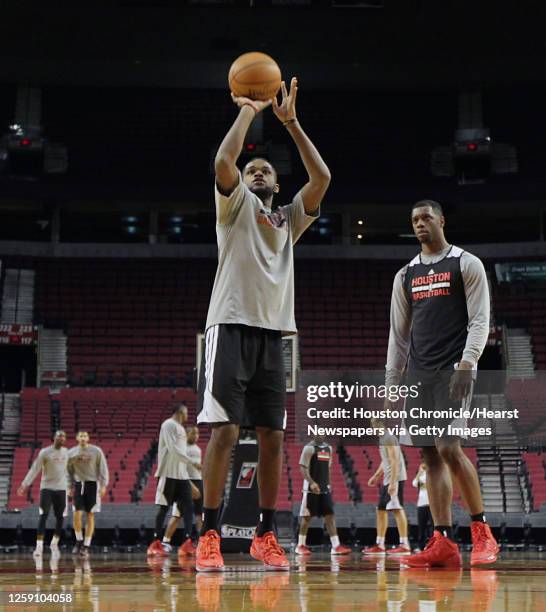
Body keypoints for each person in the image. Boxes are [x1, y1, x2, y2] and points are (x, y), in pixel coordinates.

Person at [196, 76, 330, 572]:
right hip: (228, 326)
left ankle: (266, 534)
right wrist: (249, 110)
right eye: (252, 168)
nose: (255, 173)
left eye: (265, 170)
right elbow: (222, 163)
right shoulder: (234, 208)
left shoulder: (288, 220)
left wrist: (291, 124)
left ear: (276, 184)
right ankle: (208, 532)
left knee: (273, 436)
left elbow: (322, 180)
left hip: (274, 335)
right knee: (225, 433)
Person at [385, 199, 499, 567]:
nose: (420, 224)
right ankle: (443, 541)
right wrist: (392, 383)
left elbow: (480, 320)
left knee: (449, 446)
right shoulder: (405, 275)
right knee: (430, 455)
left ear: (441, 220)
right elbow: (398, 337)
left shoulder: (466, 263)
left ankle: (482, 532)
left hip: (453, 370)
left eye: (426, 218)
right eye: (414, 219)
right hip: (418, 374)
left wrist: (469, 362)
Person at [147, 404, 201, 558]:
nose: (187, 416)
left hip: (182, 475)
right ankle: (155, 543)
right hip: (167, 473)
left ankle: (187, 542)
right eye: (186, 413)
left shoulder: (182, 429)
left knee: (189, 507)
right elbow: (172, 449)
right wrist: (191, 462)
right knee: (164, 508)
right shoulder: (168, 425)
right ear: (180, 412)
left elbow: (181, 453)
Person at [296, 438, 351, 557]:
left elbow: (329, 467)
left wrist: (329, 484)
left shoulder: (328, 448)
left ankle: (336, 546)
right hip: (310, 488)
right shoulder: (309, 448)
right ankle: (300, 545)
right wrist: (311, 483)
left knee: (330, 515)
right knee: (307, 516)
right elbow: (303, 467)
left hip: (324, 487)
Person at [362, 419, 410, 556]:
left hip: (395, 478)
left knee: (396, 509)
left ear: (378, 425)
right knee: (381, 510)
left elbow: (395, 460)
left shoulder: (389, 437)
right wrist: (376, 476)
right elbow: (386, 461)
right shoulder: (384, 439)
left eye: (372, 426)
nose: (371, 429)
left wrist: (394, 482)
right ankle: (380, 544)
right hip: (388, 479)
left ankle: (404, 544)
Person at [17, 430, 69, 557]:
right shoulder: (45, 452)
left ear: (65, 439)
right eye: (58, 436)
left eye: (63, 436)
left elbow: (70, 470)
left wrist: (71, 485)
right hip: (46, 488)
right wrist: (24, 485)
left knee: (60, 517)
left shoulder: (67, 452)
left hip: (62, 489)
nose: (61, 438)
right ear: (54, 438)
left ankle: (54, 543)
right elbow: (35, 469)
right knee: (43, 515)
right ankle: (39, 546)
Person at [67, 431, 109, 558]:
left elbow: (103, 468)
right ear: (77, 438)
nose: (83, 438)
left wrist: (103, 485)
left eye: (85, 435)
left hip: (93, 484)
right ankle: (79, 540)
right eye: (81, 435)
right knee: (76, 514)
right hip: (79, 484)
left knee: (90, 514)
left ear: (88, 438)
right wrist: (69, 486)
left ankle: (86, 545)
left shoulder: (96, 451)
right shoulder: (71, 453)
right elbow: (68, 471)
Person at [186, 426, 204, 538]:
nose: (196, 436)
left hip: (198, 480)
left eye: (197, 434)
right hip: (187, 480)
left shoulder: (198, 449)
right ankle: (186, 538)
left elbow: (198, 466)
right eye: (193, 433)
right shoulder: (182, 448)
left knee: (199, 511)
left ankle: (200, 537)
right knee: (185, 512)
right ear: (187, 434)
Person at [413, 462, 433, 551]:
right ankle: (421, 546)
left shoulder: (433, 475)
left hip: (432, 505)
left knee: (432, 527)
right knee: (422, 527)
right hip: (421, 504)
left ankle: (432, 545)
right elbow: (414, 483)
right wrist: (419, 473)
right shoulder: (421, 477)